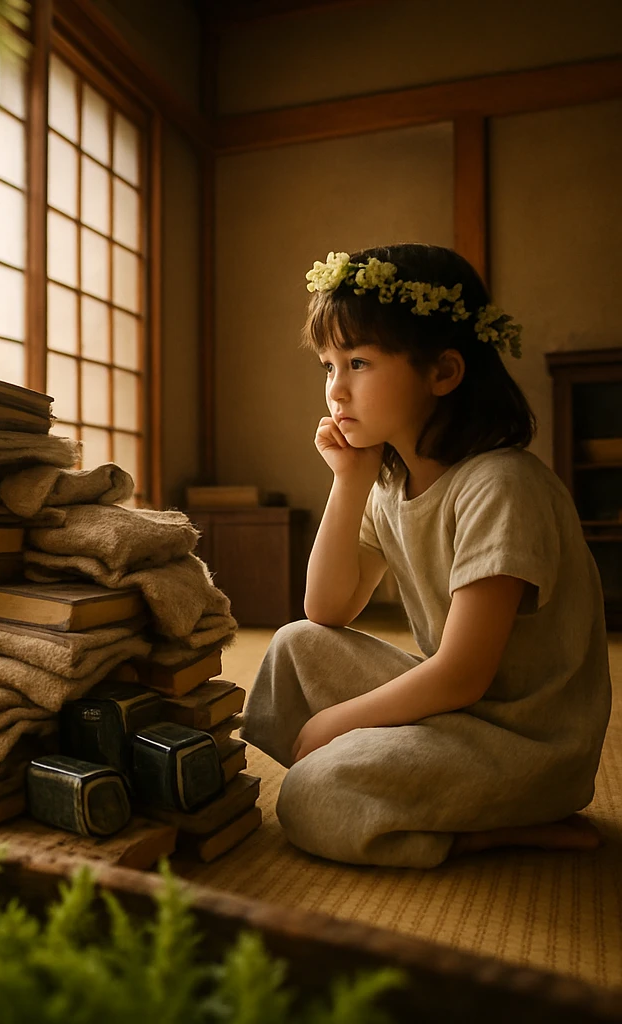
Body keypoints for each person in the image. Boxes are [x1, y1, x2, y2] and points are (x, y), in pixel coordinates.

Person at [239, 243, 611, 868]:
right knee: (293, 645)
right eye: (327, 366)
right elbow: (326, 608)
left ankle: (501, 823)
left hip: (521, 741)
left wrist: (337, 725)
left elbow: (462, 673)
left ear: (442, 373)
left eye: (358, 362)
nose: (336, 390)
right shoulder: (389, 486)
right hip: (456, 715)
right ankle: (407, 789)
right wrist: (349, 480)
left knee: (309, 795)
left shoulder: (501, 485)